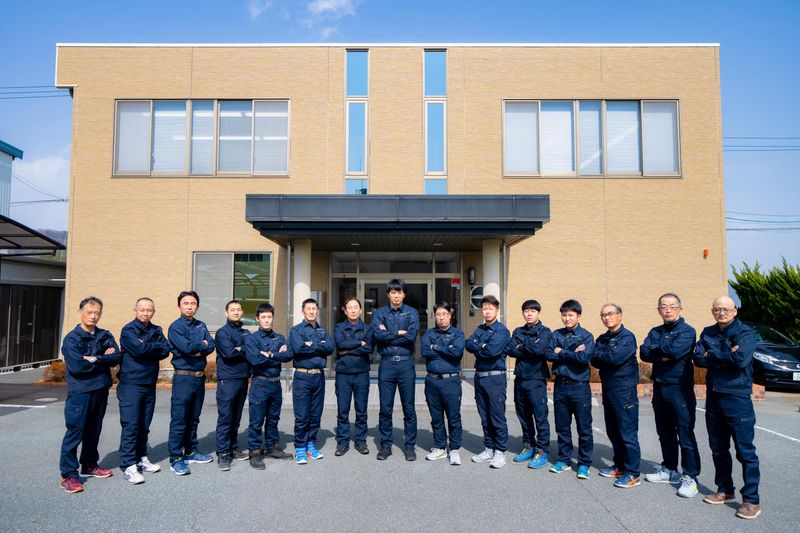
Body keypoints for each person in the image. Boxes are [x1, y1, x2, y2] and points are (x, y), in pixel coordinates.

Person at [694, 296, 761, 520]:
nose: (721, 312)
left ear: (735, 311)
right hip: (714, 397)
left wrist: (712, 354)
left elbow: (740, 359)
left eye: (725, 309)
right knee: (718, 448)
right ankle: (725, 489)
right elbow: (698, 359)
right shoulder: (708, 332)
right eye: (717, 309)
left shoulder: (745, 333)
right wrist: (726, 355)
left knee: (745, 451)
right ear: (712, 311)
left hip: (737, 397)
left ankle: (751, 500)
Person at [639, 293, 701, 498]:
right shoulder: (655, 331)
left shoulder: (688, 331)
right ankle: (669, 469)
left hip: (679, 388)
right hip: (660, 386)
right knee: (664, 432)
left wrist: (657, 351)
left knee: (685, 433)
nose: (668, 310)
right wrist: (661, 353)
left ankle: (690, 477)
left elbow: (675, 352)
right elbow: (644, 353)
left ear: (680, 309)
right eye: (664, 306)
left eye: (673, 306)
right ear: (658, 310)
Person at [59, 296, 121, 493]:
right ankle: (68, 474)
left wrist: (93, 358)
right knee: (75, 432)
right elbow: (78, 367)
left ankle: (89, 465)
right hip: (81, 392)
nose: (93, 316)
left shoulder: (103, 335)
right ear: (80, 312)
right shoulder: (72, 339)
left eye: (97, 313)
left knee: (94, 430)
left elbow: (116, 356)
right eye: (89, 312)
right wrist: (102, 359)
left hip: (100, 390)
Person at [117, 297, 171, 484]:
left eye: (149, 310)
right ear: (135, 311)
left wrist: (147, 346)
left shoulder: (157, 329)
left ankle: (141, 457)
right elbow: (138, 350)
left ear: (153, 311)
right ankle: (128, 464)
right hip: (131, 384)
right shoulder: (128, 330)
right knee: (131, 425)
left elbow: (165, 350)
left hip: (149, 383)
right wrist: (152, 347)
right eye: (142, 310)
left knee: (144, 425)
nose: (145, 313)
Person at [591, 304, 641, 488]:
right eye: (603, 315)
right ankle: (620, 465)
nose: (607, 317)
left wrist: (603, 355)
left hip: (624, 390)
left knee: (627, 432)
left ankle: (633, 473)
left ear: (620, 315)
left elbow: (614, 358)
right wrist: (605, 355)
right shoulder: (602, 338)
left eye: (610, 314)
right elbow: (594, 360)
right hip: (609, 388)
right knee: (613, 431)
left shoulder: (627, 337)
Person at [167, 290, 216, 476]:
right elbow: (186, 348)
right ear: (179, 306)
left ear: (197, 306)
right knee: (179, 418)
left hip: (198, 377)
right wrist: (201, 346)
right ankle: (176, 458)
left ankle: (191, 451)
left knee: (194, 417)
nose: (189, 307)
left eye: (193, 303)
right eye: (186, 303)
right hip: (183, 378)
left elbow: (211, 345)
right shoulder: (175, 327)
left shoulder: (201, 325)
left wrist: (199, 348)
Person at [372, 279, 420, 461]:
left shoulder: (411, 312)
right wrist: (399, 333)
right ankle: (386, 446)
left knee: (409, 408)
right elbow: (378, 335)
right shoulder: (380, 313)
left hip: (406, 364)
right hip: (387, 364)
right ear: (388, 295)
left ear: (404, 294)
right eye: (393, 292)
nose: (396, 296)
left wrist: (388, 335)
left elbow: (411, 337)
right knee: (385, 408)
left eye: (399, 292)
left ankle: (410, 446)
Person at [546, 299, 595, 479]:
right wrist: (573, 352)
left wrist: (561, 352)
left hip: (579, 387)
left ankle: (584, 463)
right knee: (562, 426)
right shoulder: (556, 334)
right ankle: (564, 460)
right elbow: (548, 354)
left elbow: (584, 358)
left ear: (578, 316)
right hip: (560, 386)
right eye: (564, 315)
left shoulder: (586, 336)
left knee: (584, 427)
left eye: (571, 315)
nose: (567, 318)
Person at [244, 303, 293, 469]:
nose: (266, 320)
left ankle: (272, 448)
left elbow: (288, 355)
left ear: (273, 318)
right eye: (263, 317)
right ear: (257, 319)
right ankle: (255, 453)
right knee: (256, 421)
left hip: (275, 384)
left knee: (273, 419)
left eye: (269, 317)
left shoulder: (279, 337)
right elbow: (255, 360)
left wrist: (270, 354)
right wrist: (278, 355)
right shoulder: (251, 339)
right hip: (260, 383)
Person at [466, 295, 511, 469]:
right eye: (484, 308)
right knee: (484, 416)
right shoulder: (480, 329)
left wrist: (480, 346)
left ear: (497, 310)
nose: (487, 311)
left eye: (490, 309)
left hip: (495, 378)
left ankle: (500, 451)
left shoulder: (501, 331)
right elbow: (468, 344)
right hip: (480, 377)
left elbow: (492, 351)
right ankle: (489, 448)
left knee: (496, 415)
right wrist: (481, 345)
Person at [506, 299, 552, 470]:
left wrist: (522, 344)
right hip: (520, 378)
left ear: (538, 313)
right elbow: (511, 350)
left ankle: (542, 450)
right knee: (523, 415)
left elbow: (540, 350)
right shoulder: (518, 331)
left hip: (536, 379)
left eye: (533, 311)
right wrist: (530, 345)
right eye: (526, 311)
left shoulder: (545, 331)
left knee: (540, 416)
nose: (529, 313)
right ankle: (528, 446)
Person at [289, 298, 334, 464]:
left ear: (318, 311)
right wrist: (319, 345)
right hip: (303, 377)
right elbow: (299, 349)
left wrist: (310, 345)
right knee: (302, 416)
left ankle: (310, 445)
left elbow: (330, 347)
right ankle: (300, 448)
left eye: (314, 309)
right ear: (303, 311)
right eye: (308, 309)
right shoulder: (296, 330)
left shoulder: (323, 330)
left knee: (315, 415)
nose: (311, 311)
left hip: (319, 376)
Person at [421, 302, 465, 466]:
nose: (441, 317)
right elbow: (424, 351)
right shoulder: (429, 333)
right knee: (436, 417)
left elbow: (457, 353)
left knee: (453, 417)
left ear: (450, 316)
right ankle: (440, 447)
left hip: (451, 381)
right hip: (432, 381)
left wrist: (435, 347)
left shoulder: (458, 334)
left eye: (444, 314)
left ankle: (454, 449)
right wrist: (446, 349)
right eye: (438, 314)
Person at [213, 300, 252, 471]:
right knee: (226, 417)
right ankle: (223, 453)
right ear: (226, 312)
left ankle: (233, 447)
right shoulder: (222, 332)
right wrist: (243, 349)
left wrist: (239, 348)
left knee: (236, 417)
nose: (235, 312)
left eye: (238, 310)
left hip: (243, 378)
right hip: (227, 379)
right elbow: (228, 353)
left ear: (242, 312)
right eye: (232, 310)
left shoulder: (246, 332)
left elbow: (252, 350)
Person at [333, 297, 373, 456]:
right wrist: (359, 343)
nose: (353, 310)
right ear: (345, 311)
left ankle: (360, 441)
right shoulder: (338, 327)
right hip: (343, 374)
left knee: (361, 410)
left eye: (356, 307)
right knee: (343, 410)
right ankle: (342, 442)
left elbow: (369, 348)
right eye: (350, 307)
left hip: (362, 373)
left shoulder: (368, 328)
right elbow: (340, 345)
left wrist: (347, 349)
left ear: (361, 310)